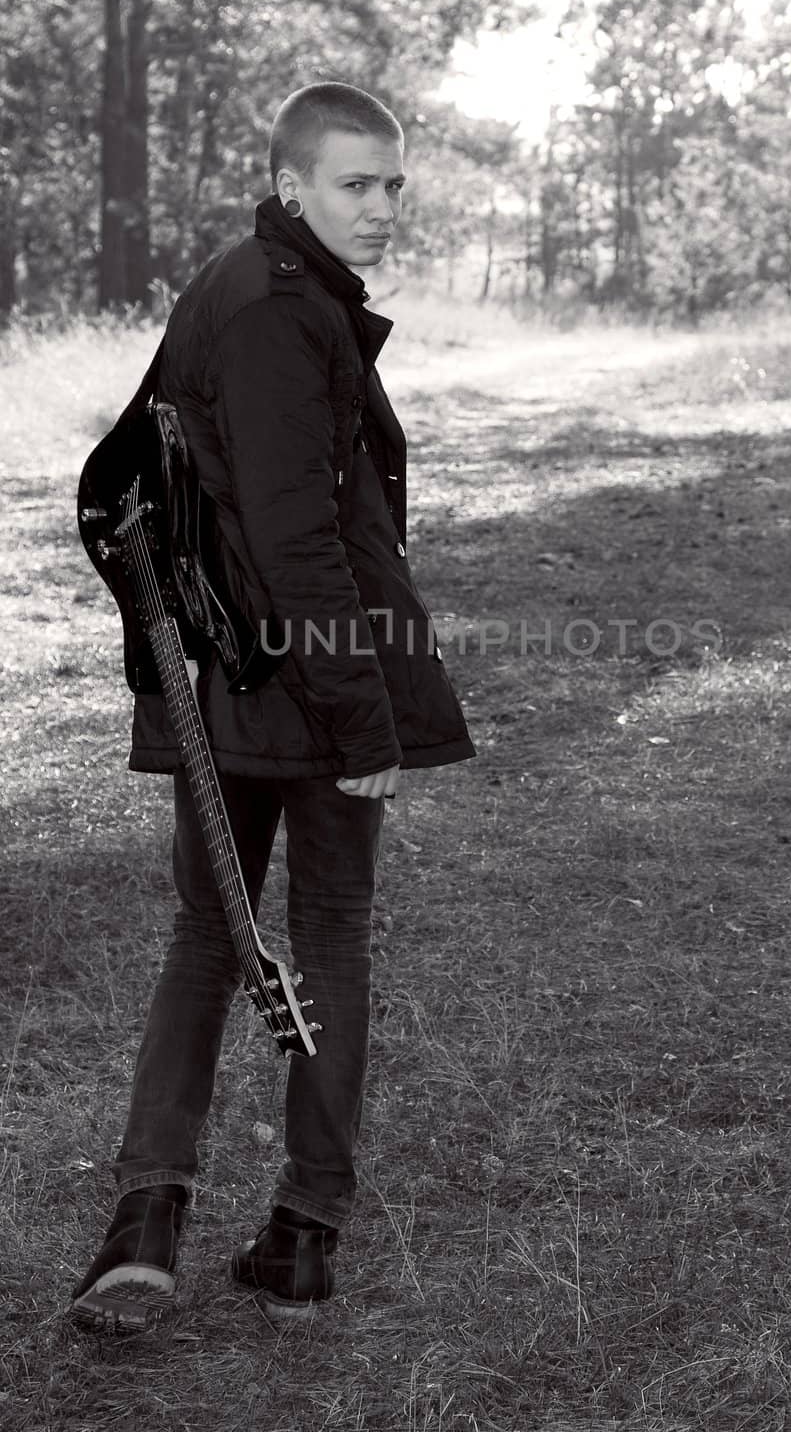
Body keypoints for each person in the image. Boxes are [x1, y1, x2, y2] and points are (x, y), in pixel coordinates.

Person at [69, 82, 476, 1331]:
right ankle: (258, 1230)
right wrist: (364, 725)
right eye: (355, 183)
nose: (381, 206)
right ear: (291, 182)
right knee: (276, 941)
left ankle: (224, 1228)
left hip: (259, 680)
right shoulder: (271, 309)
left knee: (240, 942)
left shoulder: (266, 292)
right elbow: (299, 546)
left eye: (393, 183)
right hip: (284, 684)